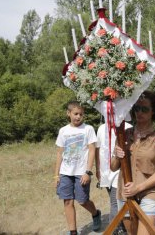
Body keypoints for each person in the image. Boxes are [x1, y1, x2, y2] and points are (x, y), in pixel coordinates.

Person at [111, 91, 155, 235]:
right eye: (136, 108)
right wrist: (117, 154)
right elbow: (113, 167)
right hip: (126, 192)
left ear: (153, 111)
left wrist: (139, 187)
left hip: (150, 191)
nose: (139, 112)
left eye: (144, 109)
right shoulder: (124, 134)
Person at [54, 101, 101, 235]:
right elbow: (59, 153)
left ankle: (95, 213)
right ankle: (73, 231)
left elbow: (92, 150)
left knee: (82, 200)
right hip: (65, 172)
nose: (78, 117)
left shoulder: (88, 129)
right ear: (68, 114)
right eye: (75, 114)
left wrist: (88, 172)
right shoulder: (63, 131)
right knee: (68, 201)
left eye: (81, 114)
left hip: (81, 172)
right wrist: (56, 175)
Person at [96, 121, 131, 233]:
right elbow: (98, 149)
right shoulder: (101, 128)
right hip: (106, 172)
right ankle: (122, 227)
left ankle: (116, 229)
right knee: (115, 202)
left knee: (116, 202)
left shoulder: (128, 128)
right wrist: (97, 169)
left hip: (119, 172)